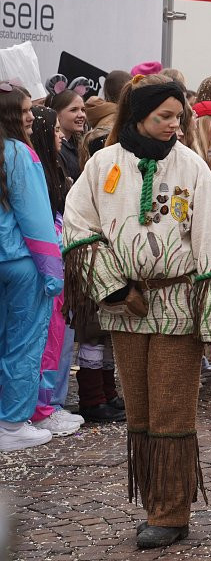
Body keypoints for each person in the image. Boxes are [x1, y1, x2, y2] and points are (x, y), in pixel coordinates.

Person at [62, 77, 211, 548]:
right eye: (164, 117)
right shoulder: (103, 164)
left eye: (179, 117)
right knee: (139, 409)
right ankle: (157, 503)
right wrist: (113, 288)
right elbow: (79, 224)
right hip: (126, 307)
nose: (174, 125)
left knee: (171, 409)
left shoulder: (193, 168)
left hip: (178, 304)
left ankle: (170, 512)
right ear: (139, 116)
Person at [0, 87, 64, 452]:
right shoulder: (20, 153)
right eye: (25, 110)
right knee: (24, 344)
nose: (31, 116)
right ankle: (11, 423)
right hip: (23, 263)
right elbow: (36, 217)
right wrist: (52, 270)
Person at [25, 107, 84, 438]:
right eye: (55, 130)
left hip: (57, 262)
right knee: (46, 340)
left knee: (59, 339)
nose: (62, 134)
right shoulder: (38, 172)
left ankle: (49, 403)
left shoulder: (53, 168)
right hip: (49, 265)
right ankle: (41, 407)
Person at [49, 88, 87, 181]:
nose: (81, 115)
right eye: (74, 110)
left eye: (83, 110)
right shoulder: (55, 147)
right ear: (57, 114)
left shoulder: (79, 145)